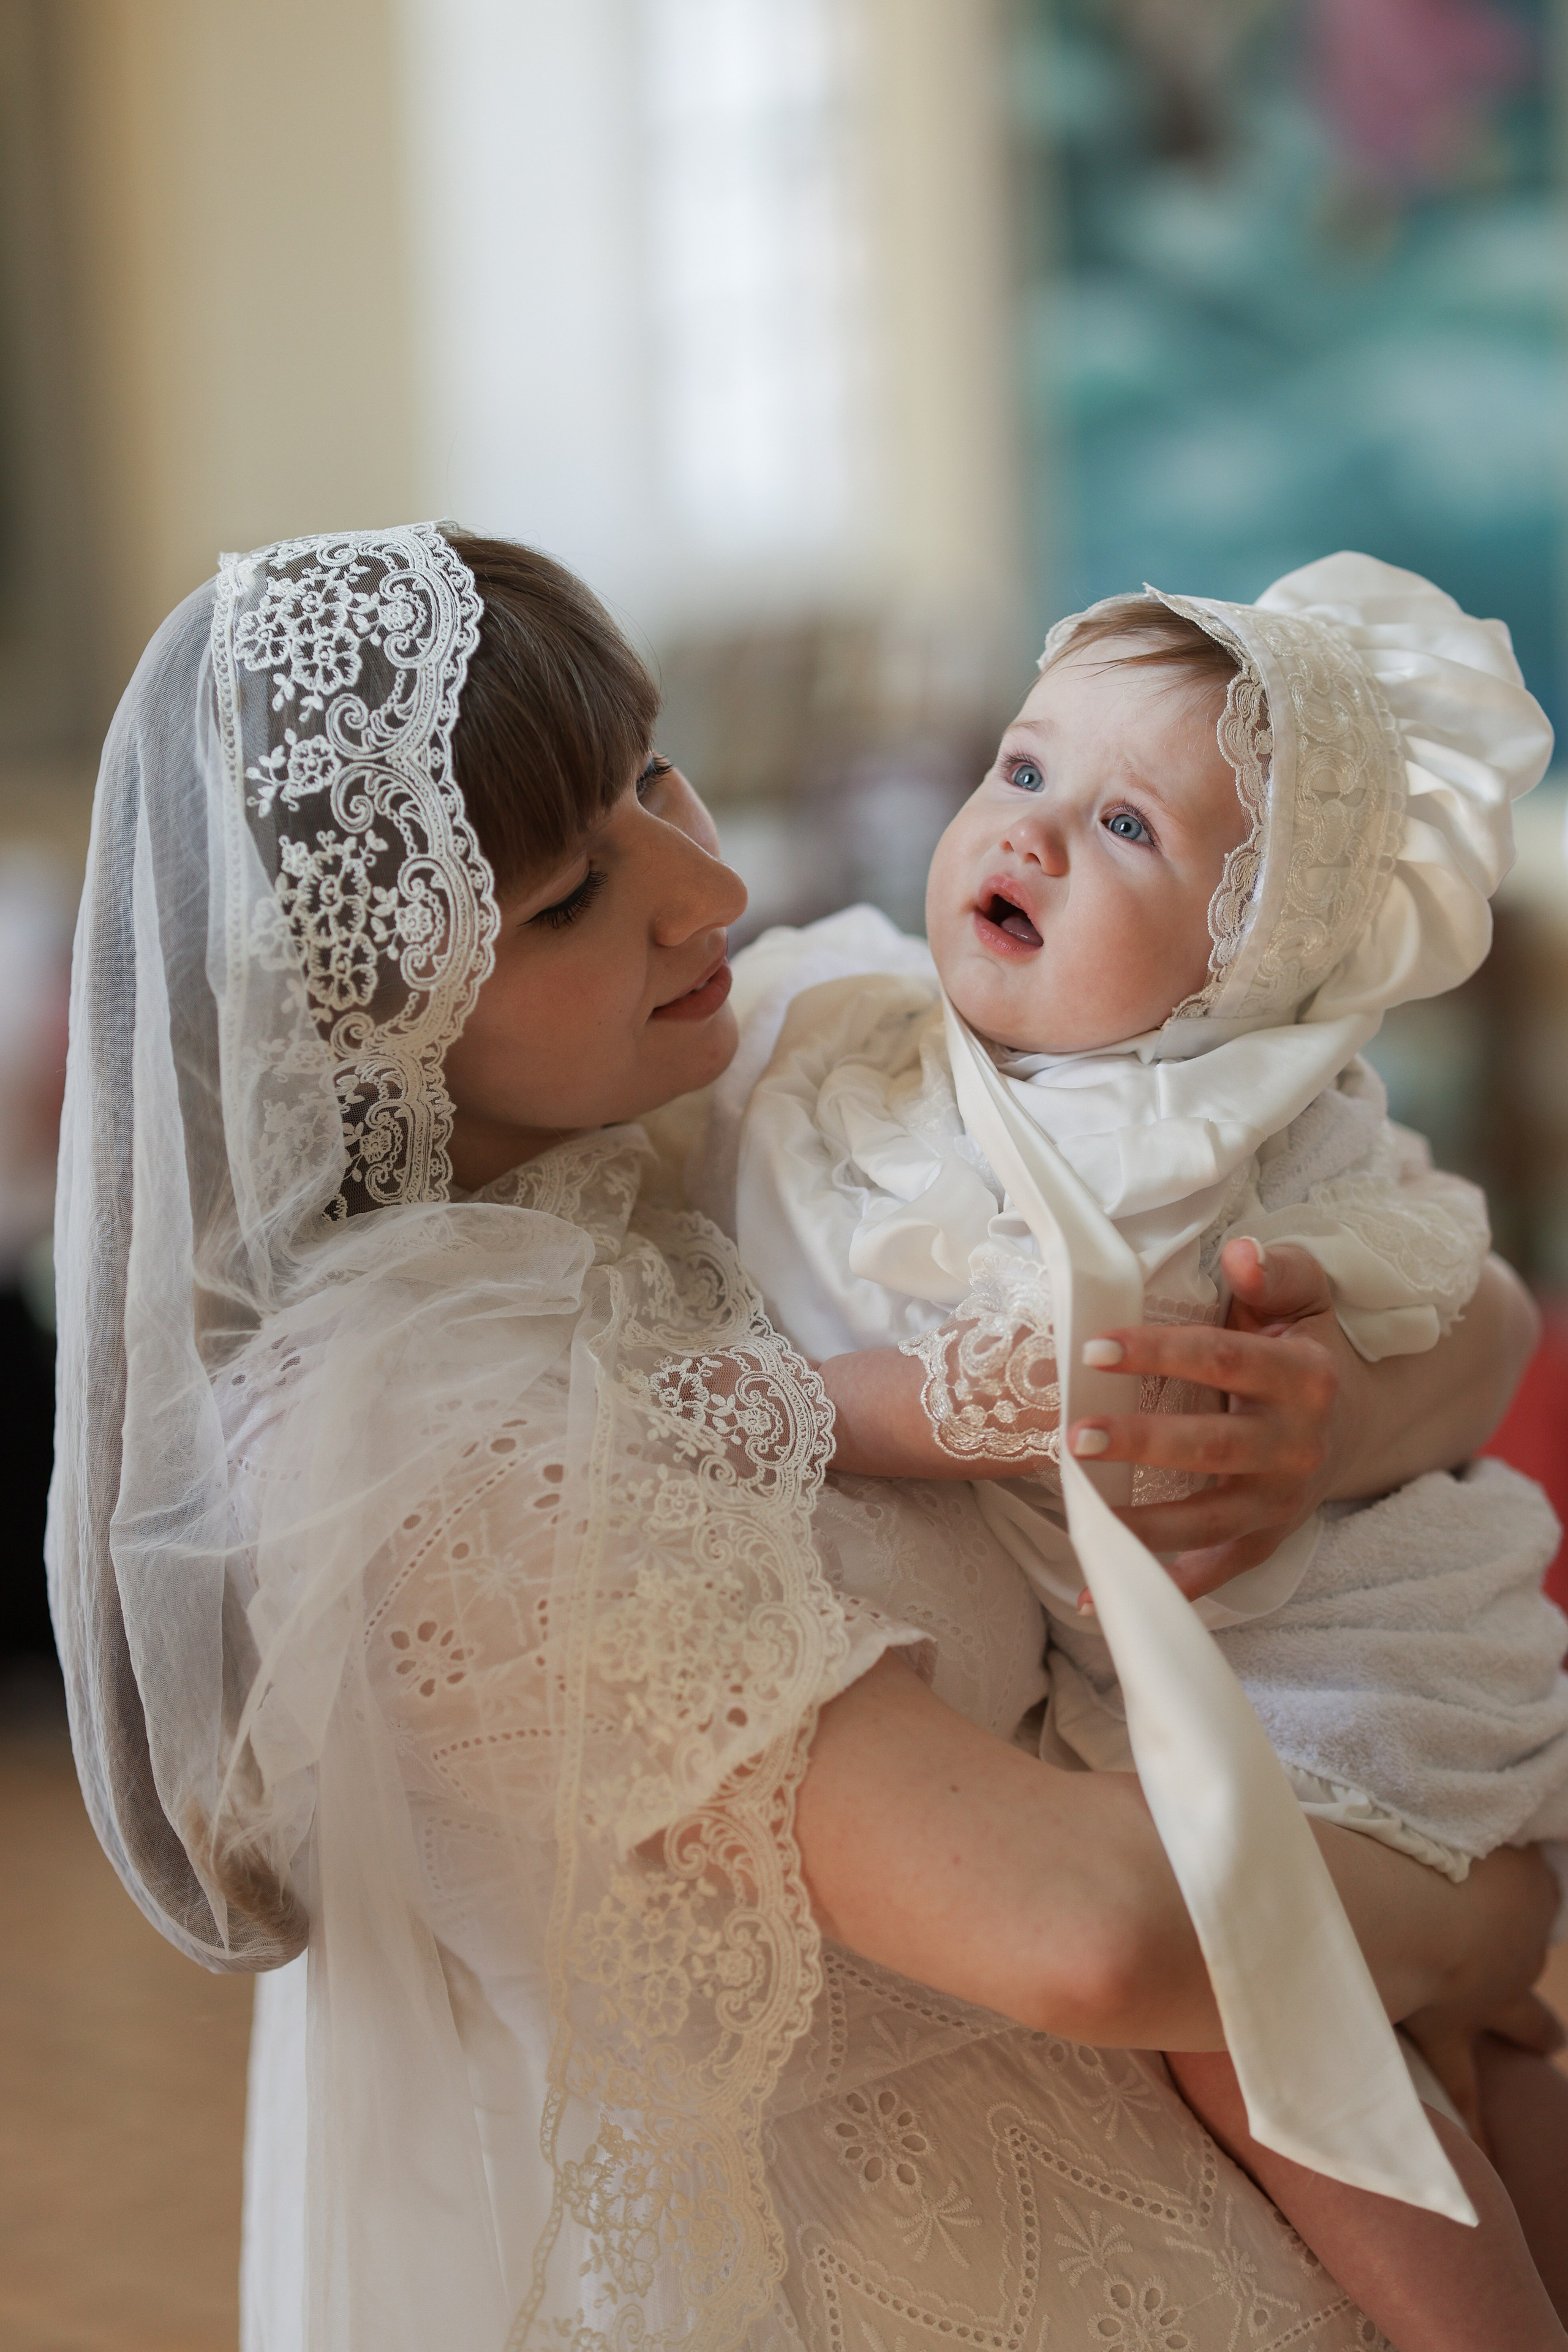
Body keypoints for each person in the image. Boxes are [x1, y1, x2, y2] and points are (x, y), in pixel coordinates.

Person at [47, 526, 1557, 2352]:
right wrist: (1471, 1910)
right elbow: (1089, 1940)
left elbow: (1466, 1305)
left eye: (655, 773)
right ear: (360, 1019)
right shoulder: (408, 1431)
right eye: (570, 896)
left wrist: (1320, 1427)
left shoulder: (760, 1063)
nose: (709, 883)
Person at [729, 553, 1568, 2339]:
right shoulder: (883, 1059)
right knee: (1451, 2051)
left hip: (1356, 1665)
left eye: (1128, 828)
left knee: (1254, 2043)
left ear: (1243, 965)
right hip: (1203, 1689)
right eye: (1023, 773)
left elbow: (1449, 1272)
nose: (1027, 838)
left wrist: (1327, 1322)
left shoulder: (1244, 1111)